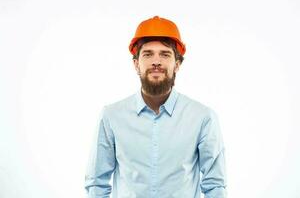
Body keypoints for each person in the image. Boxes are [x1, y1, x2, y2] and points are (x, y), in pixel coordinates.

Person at [85, 15, 227, 198]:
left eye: (165, 54)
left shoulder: (202, 117)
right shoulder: (112, 116)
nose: (156, 61)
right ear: (136, 64)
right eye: (148, 54)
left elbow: (215, 186)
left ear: (177, 64)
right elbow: (97, 183)